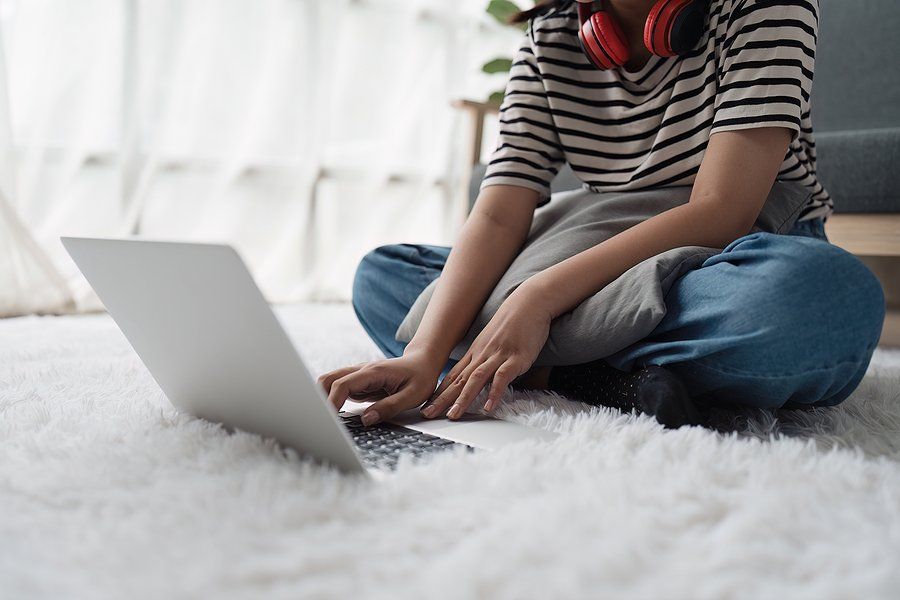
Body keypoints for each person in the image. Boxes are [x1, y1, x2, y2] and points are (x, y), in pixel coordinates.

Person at [318, 0, 885, 428]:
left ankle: (543, 363)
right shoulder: (549, 37)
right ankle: (599, 376)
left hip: (730, 252)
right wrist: (424, 353)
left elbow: (721, 210)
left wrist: (535, 298)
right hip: (601, 257)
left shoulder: (767, 8)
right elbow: (496, 215)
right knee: (384, 274)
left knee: (823, 301)